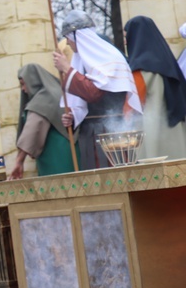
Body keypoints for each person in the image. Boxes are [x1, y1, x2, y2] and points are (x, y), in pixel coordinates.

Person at [54, 9, 142, 169]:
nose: (67, 43)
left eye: (68, 38)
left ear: (77, 36)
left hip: (113, 130)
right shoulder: (83, 61)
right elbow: (85, 100)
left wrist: (67, 69)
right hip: (90, 133)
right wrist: (74, 117)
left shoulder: (111, 59)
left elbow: (93, 93)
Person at [123, 16, 186, 160]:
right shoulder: (169, 62)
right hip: (175, 130)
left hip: (154, 131)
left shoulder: (139, 69)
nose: (125, 41)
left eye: (126, 36)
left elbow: (133, 107)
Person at [10, 64, 79, 179]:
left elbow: (32, 131)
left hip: (56, 155)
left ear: (32, 80)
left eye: (23, 84)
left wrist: (19, 161)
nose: (23, 89)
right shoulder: (57, 91)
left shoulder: (43, 98)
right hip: (72, 152)